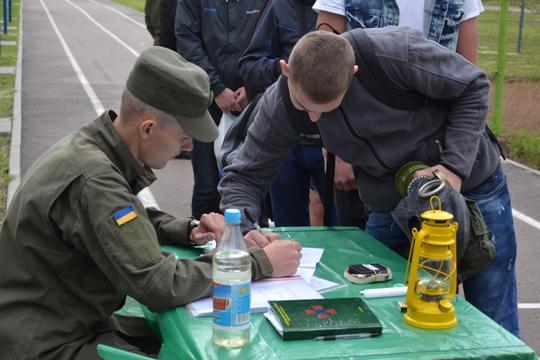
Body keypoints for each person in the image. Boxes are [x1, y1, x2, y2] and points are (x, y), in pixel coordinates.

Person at [0, 47, 302, 359]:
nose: (186, 148)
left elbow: (125, 218)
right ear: (148, 129)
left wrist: (192, 230)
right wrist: (258, 263)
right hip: (45, 345)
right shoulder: (97, 180)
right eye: (184, 140)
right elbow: (158, 285)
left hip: (57, 323)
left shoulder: (93, 149)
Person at [218, 30, 519, 337]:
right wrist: (243, 229)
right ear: (285, 70)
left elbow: (472, 84)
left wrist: (454, 168)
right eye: (304, 104)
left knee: (492, 313)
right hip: (391, 200)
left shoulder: (394, 53)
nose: (312, 117)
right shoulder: (281, 101)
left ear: (353, 74)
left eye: (326, 107)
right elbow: (245, 174)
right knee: (372, 311)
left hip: (471, 183)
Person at [313, 0, 485, 230]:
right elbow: (323, 68)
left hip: (441, 155)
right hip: (376, 167)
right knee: (372, 261)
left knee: (461, 256)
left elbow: (468, 76)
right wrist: (337, 154)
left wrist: (455, 164)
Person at [239, 0, 334, 227]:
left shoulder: (342, 6)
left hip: (332, 143)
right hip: (287, 141)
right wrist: (290, 72)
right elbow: (249, 65)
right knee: (289, 230)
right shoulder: (279, 6)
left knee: (343, 233)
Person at [175, 0, 262, 220]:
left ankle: (251, 245)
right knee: (206, 186)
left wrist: (252, 87)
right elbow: (187, 40)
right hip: (205, 102)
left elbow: (271, 39)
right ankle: (205, 244)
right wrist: (217, 89)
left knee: (253, 184)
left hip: (254, 103)